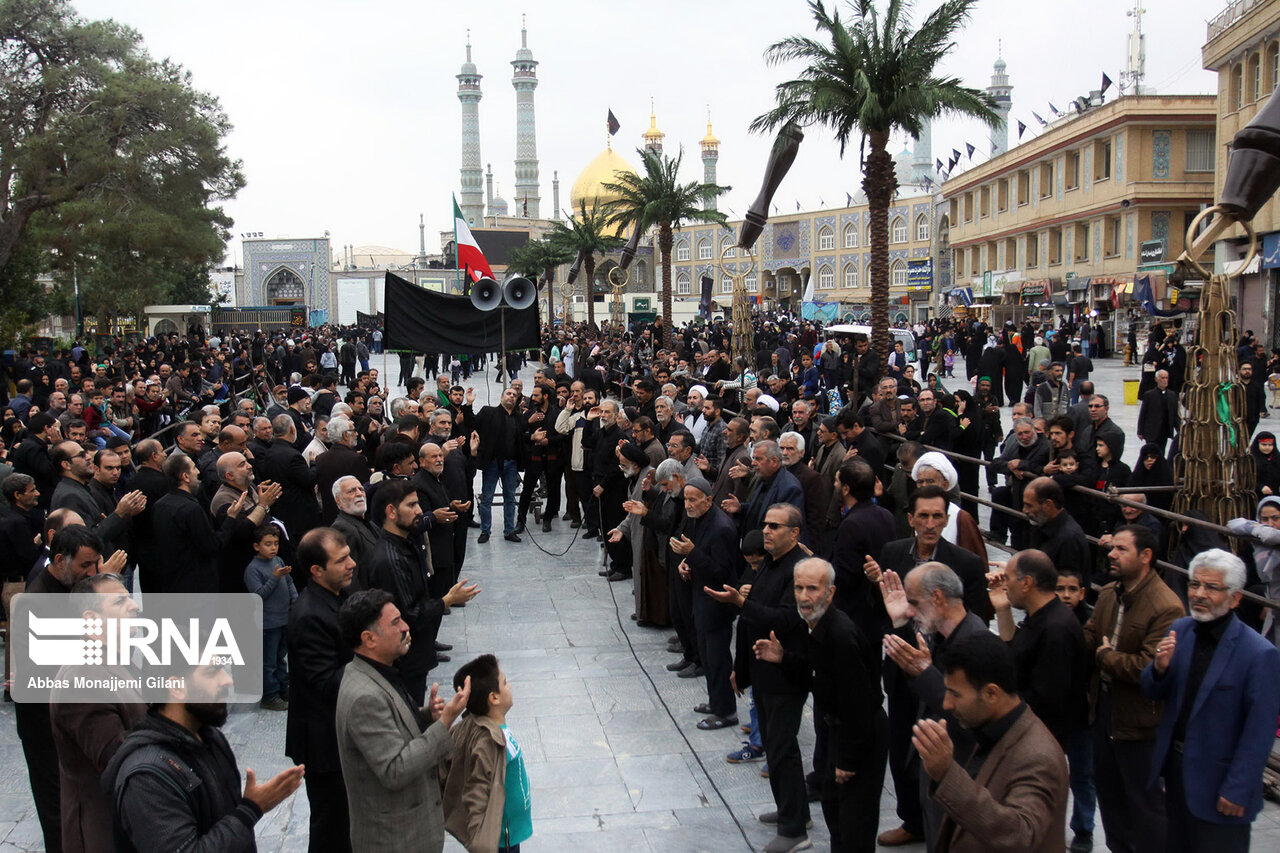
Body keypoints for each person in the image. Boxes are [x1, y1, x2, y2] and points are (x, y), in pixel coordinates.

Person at [1141, 549, 1280, 853]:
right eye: (1194, 585)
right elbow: (1153, 690)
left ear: (1235, 598)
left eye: (1211, 587)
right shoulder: (1180, 630)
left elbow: (1260, 730)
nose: (1199, 594)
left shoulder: (1259, 653)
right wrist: (1159, 670)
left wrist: (1238, 788)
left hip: (1222, 784)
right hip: (1176, 775)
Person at [103, 656, 305, 852]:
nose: (227, 680)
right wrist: (251, 809)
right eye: (212, 672)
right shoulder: (146, 779)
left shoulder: (209, 737)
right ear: (177, 688)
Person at [753, 557, 887, 853]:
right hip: (835, 732)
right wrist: (784, 658)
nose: (803, 596)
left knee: (853, 824)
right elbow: (819, 675)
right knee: (834, 811)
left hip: (857, 736)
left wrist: (847, 760)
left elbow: (859, 704)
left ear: (830, 592)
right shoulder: (813, 625)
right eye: (799, 588)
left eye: (812, 589)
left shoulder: (840, 634)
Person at [706, 503, 811, 853]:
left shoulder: (799, 570)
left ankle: (794, 829)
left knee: (782, 750)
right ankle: (791, 811)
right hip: (763, 670)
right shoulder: (768, 563)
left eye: (775, 526)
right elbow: (751, 621)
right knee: (778, 746)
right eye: (765, 524)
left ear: (794, 533)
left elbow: (782, 620)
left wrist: (740, 603)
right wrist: (743, 668)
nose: (765, 531)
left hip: (786, 673)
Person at [334, 589, 471, 853]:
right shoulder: (364, 696)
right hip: (395, 840)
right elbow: (395, 769)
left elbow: (390, 727)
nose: (406, 627)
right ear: (369, 639)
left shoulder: (379, 671)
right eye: (396, 622)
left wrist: (425, 716)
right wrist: (445, 723)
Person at [911, 632, 1069, 853]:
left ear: (991, 693)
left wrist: (947, 774)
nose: (946, 704)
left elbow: (1021, 836)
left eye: (955, 694)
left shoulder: (1037, 755)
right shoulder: (994, 729)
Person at [1083, 524, 1185, 853]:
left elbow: (1146, 667)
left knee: (1145, 808)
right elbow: (1090, 633)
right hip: (1105, 713)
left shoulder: (1166, 606)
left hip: (1141, 725)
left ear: (1145, 556)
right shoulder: (1111, 592)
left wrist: (1106, 657)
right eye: (1112, 547)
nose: (1111, 554)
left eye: (1121, 549)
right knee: (1110, 799)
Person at [49, 573, 146, 853]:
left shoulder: (115, 660)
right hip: (103, 835)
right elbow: (119, 762)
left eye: (129, 598)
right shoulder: (83, 678)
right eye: (120, 601)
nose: (134, 606)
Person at [286, 527, 358, 853]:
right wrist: (373, 654)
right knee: (332, 828)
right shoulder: (309, 614)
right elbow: (326, 683)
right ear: (316, 570)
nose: (352, 564)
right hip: (324, 744)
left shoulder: (334, 597)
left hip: (338, 735)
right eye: (341, 560)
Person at [986, 549, 1088, 750]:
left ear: (1026, 583)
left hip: (1038, 742)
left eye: (1008, 578)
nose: (1005, 584)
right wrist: (1003, 609)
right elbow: (1015, 654)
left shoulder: (1056, 628)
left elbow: (1046, 700)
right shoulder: (1040, 617)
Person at [440, 654, 533, 853]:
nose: (510, 686)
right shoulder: (488, 741)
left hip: (509, 834)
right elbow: (477, 788)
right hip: (499, 840)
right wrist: (480, 842)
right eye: (505, 683)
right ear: (494, 697)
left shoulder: (491, 730)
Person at [678, 476, 740, 730]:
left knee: (717, 659)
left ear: (709, 500)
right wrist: (687, 563)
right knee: (707, 655)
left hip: (716, 604)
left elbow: (723, 572)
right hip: (702, 599)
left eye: (693, 500)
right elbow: (702, 556)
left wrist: (691, 554)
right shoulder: (701, 520)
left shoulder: (722, 527)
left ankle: (726, 711)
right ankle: (716, 701)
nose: (688, 505)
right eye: (686, 499)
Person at [244, 524, 298, 711]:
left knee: (281, 658)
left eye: (275, 543)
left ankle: (284, 689)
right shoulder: (253, 569)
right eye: (268, 544)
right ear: (257, 546)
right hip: (267, 624)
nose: (273, 548)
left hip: (284, 619)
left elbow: (289, 582)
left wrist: (295, 601)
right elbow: (258, 595)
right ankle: (270, 695)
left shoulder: (280, 560)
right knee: (269, 662)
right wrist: (275, 577)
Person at [1022, 476, 1093, 589]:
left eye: (1029, 505)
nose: (1024, 510)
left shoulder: (1067, 539)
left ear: (1048, 505)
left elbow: (1067, 589)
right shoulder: (1043, 526)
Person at [1137, 370, 1179, 455]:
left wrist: (1179, 430)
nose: (1165, 380)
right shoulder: (1149, 395)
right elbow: (1143, 414)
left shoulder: (1172, 395)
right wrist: (1140, 431)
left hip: (1164, 430)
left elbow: (1174, 414)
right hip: (1151, 431)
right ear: (1156, 379)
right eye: (1162, 378)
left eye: (1166, 378)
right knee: (1151, 452)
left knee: (1161, 452)